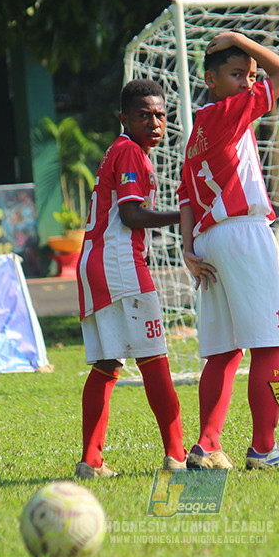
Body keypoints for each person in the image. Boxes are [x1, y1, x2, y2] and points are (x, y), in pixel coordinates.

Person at [177, 31, 279, 470]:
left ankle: (207, 445)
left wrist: (189, 248)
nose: (249, 82)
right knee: (268, 345)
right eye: (238, 75)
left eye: (251, 76)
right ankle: (264, 449)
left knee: (223, 351)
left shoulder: (196, 132)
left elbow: (186, 199)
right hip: (244, 234)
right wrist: (239, 38)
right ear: (211, 80)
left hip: (211, 242)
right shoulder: (229, 113)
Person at [74, 78, 187, 479]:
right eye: (144, 116)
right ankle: (177, 455)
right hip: (119, 266)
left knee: (106, 363)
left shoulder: (121, 151)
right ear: (124, 119)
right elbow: (131, 215)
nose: (155, 123)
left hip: (95, 263)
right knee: (154, 357)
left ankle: (91, 461)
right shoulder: (130, 153)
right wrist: (184, 215)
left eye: (160, 115)